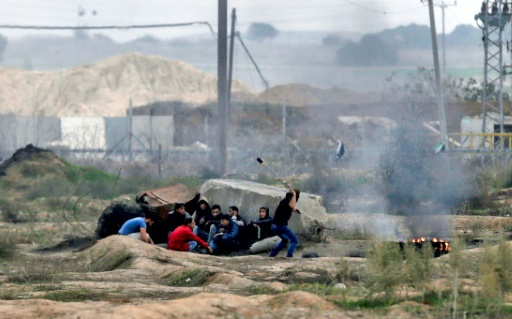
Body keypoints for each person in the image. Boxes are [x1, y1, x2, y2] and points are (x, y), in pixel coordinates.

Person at [269, 189, 301, 258]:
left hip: (274, 226)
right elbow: (291, 206)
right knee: (294, 240)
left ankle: (272, 255)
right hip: (280, 226)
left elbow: (290, 207)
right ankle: (289, 256)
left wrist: (295, 210)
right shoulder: (286, 202)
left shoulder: (283, 202)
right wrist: (294, 194)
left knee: (285, 240)